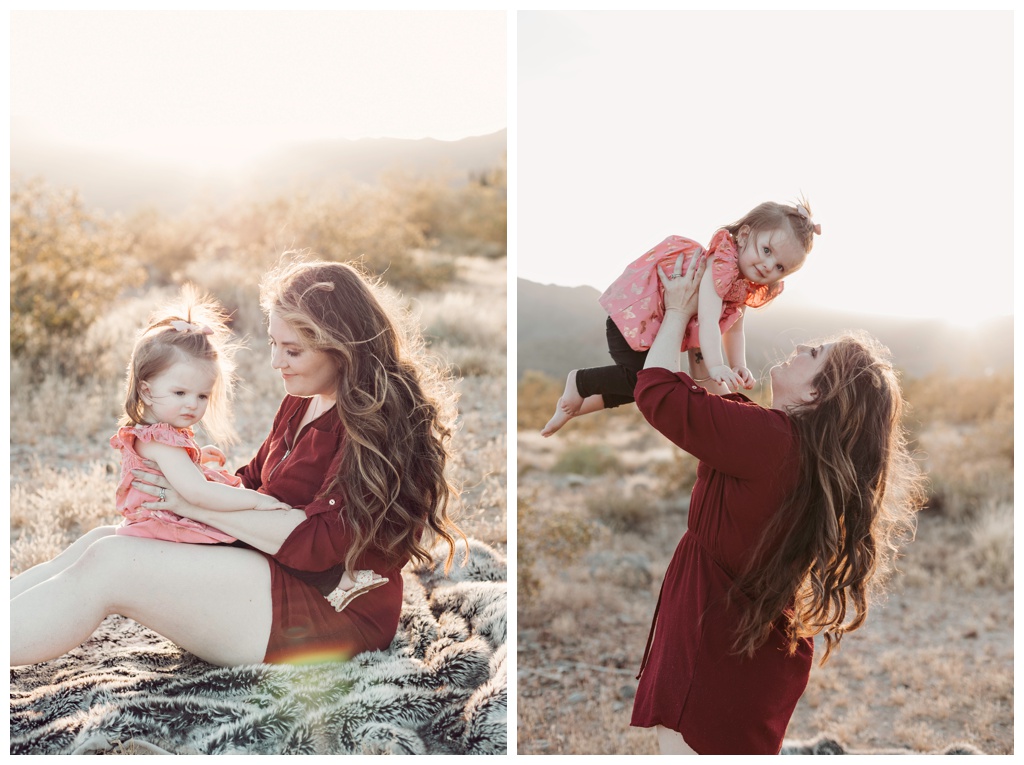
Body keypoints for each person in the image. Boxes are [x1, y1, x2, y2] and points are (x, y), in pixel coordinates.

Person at [11, 257, 464, 667]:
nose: (275, 362)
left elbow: (319, 544)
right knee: (100, 540)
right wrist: (205, 478)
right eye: (273, 343)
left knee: (111, 564)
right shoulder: (303, 400)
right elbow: (256, 480)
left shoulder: (380, 422)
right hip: (269, 572)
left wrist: (192, 503)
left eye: (292, 351)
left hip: (330, 612)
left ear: (341, 346)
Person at [628, 253, 924, 754]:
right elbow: (709, 403)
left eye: (813, 355)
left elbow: (658, 392)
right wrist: (712, 325)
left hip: (714, 640)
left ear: (817, 395)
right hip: (752, 650)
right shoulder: (804, 452)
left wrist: (678, 311)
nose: (799, 348)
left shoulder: (772, 441)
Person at [541, 199, 820, 437]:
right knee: (649, 382)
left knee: (643, 389)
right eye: (767, 251)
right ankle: (579, 382)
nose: (768, 266)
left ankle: (575, 407)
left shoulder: (744, 282)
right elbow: (709, 321)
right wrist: (716, 366)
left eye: (780, 267)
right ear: (745, 235)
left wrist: (739, 365)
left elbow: (734, 330)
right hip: (634, 324)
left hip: (653, 330)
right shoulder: (719, 264)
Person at [110, 286, 291, 545]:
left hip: (154, 526)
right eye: (180, 393)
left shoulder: (157, 438)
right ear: (146, 391)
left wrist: (193, 457)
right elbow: (198, 493)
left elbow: (169, 468)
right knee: (244, 541)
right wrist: (256, 500)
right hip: (164, 530)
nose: (192, 405)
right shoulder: (160, 440)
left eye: (202, 396)